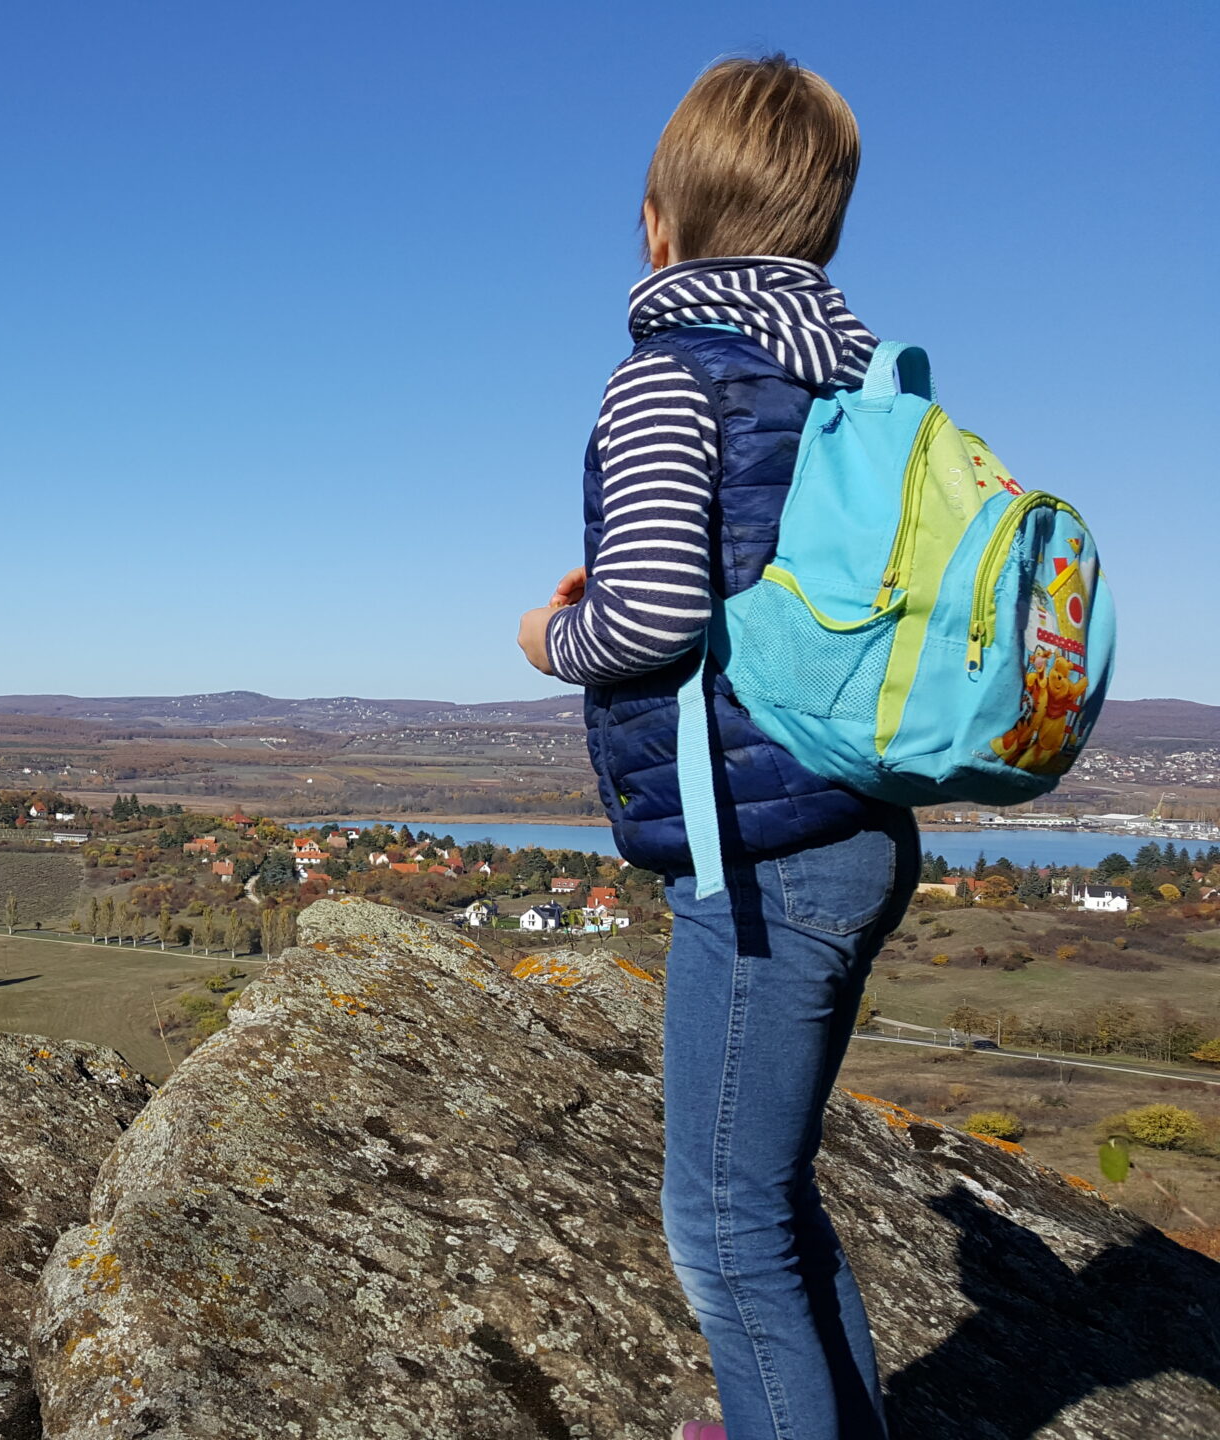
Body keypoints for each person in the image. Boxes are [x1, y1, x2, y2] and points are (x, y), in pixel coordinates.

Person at [515, 55, 917, 1440]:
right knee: (774, 1197)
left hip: (765, 861)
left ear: (654, 225)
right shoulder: (863, 395)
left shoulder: (667, 382)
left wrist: (545, 640)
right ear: (820, 228)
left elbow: (650, 623)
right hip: (862, 832)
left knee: (722, 1226)